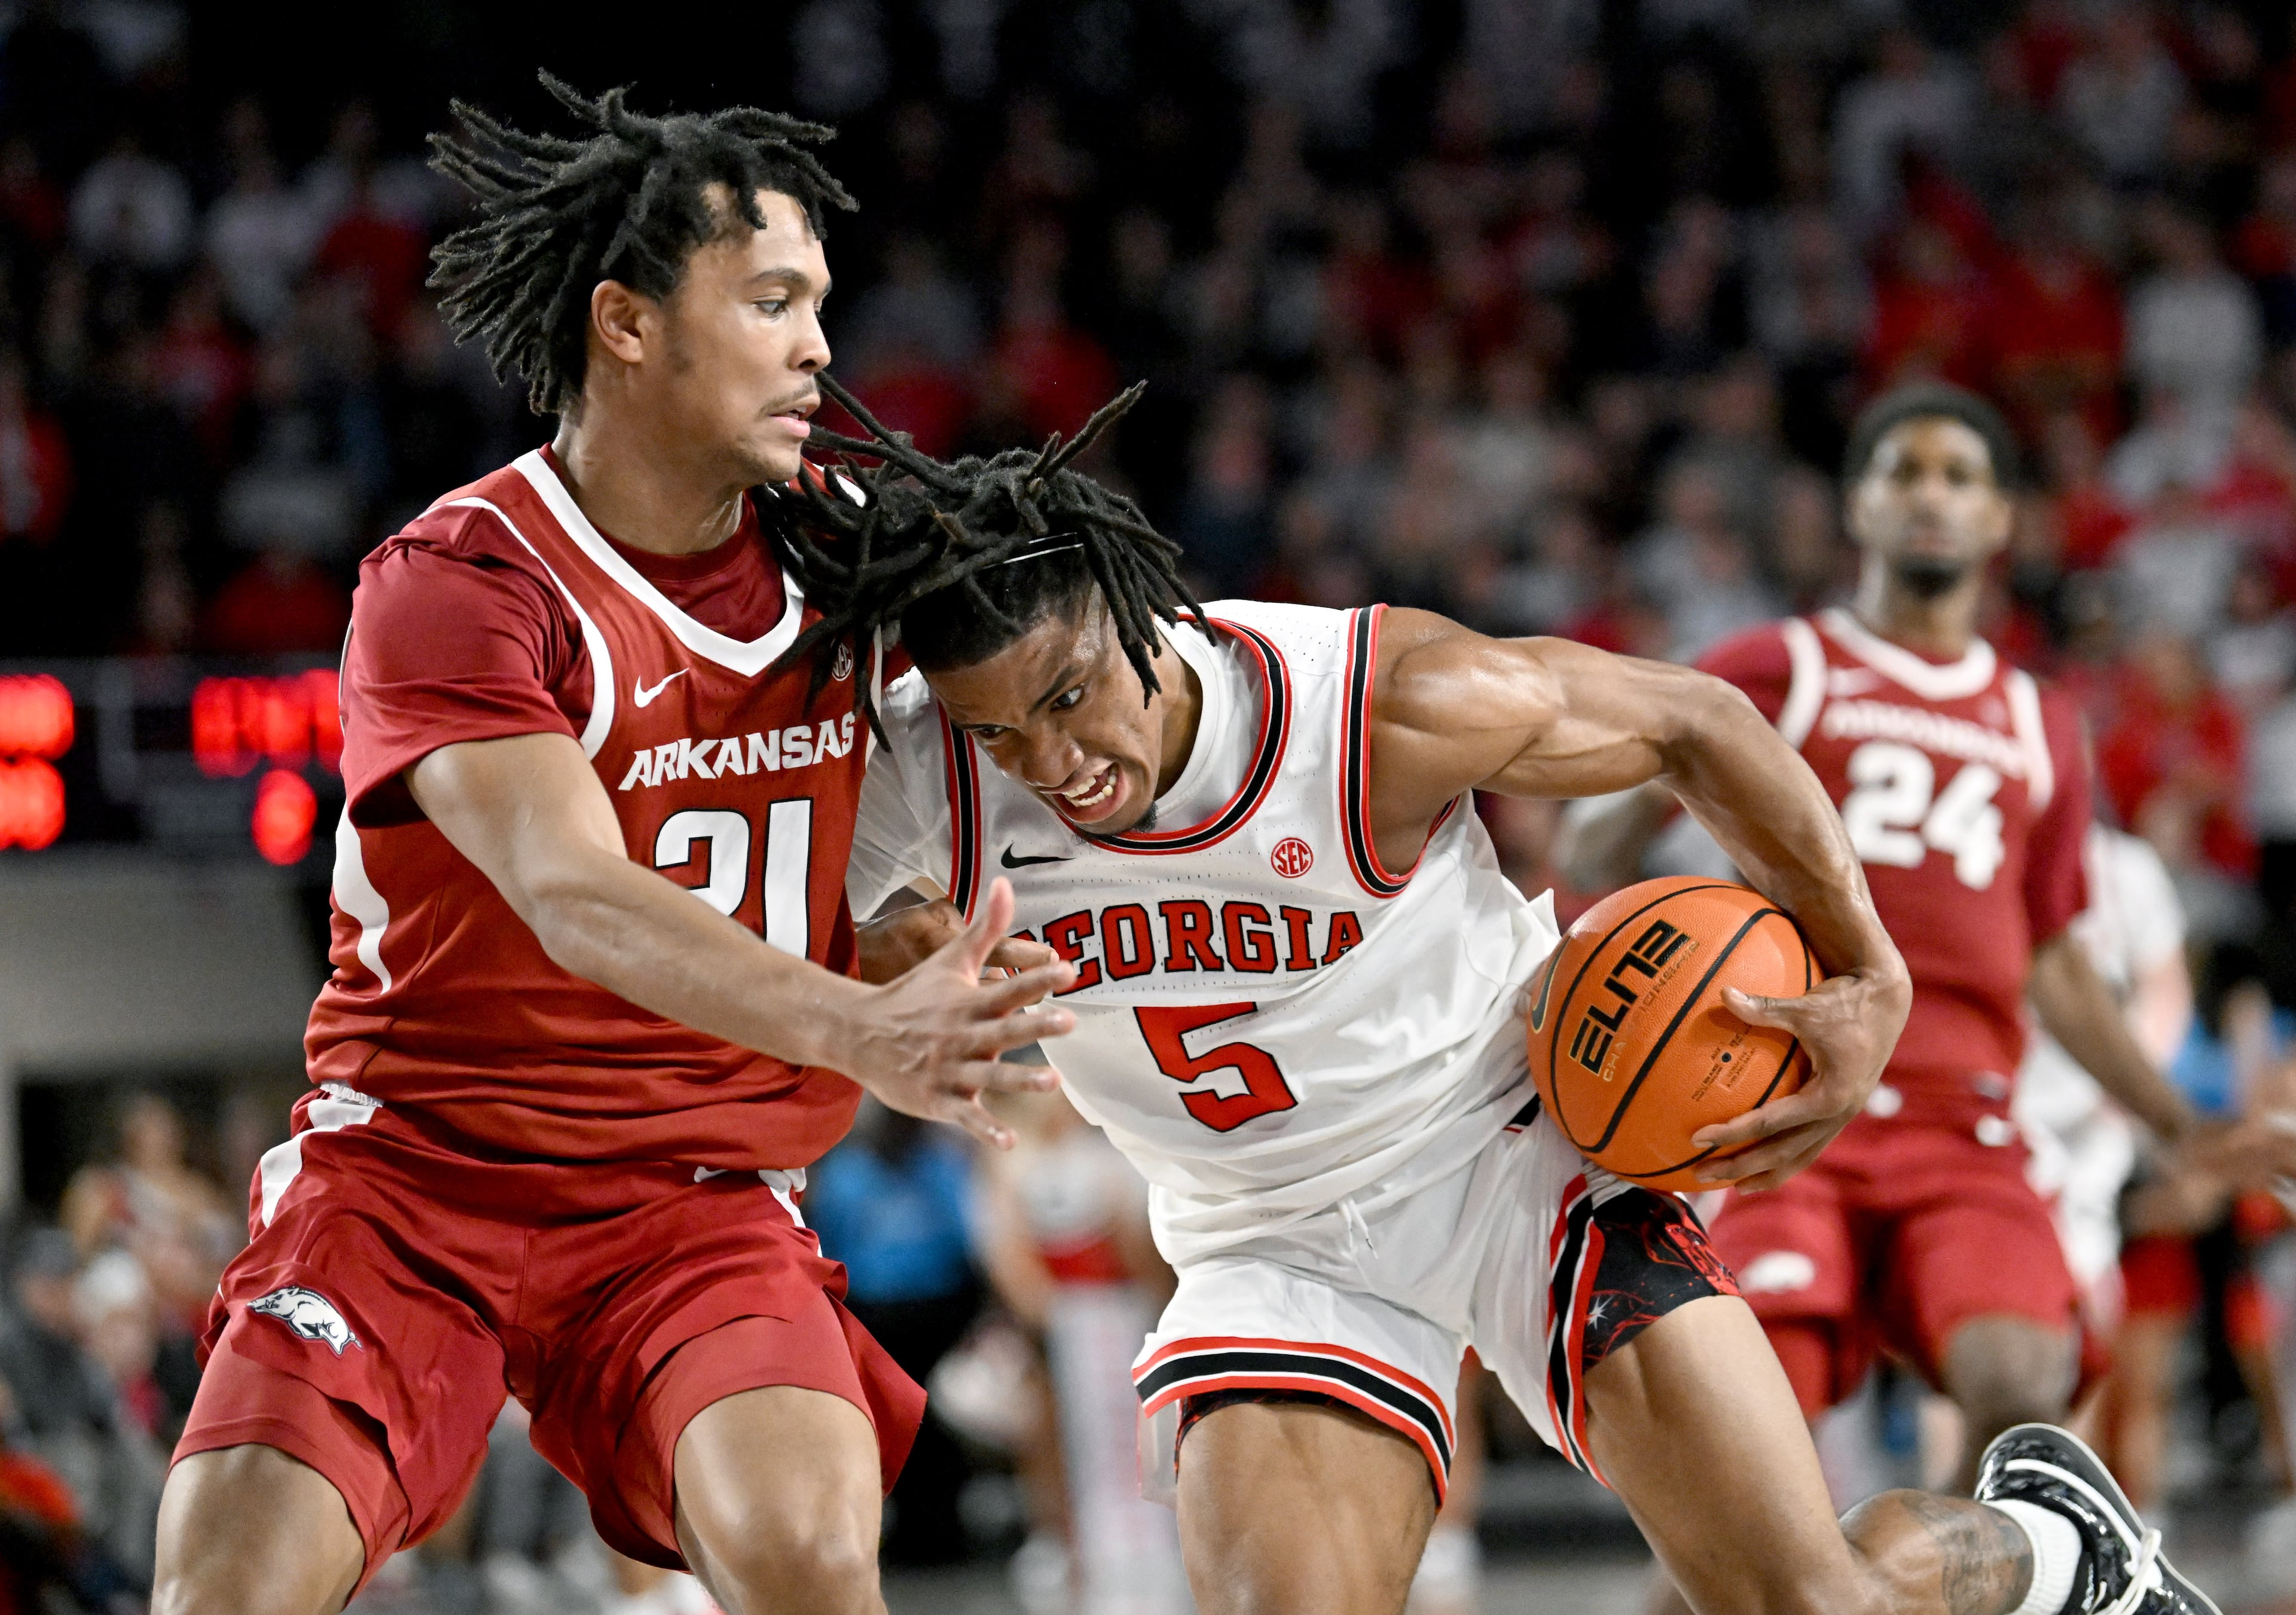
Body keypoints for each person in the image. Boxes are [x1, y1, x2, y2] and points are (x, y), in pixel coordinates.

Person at [805, 378, 2221, 1615]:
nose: (1056, 763)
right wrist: (901, 995)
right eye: (1000, 729)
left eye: (1068, 698)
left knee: (1812, 1599)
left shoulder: (1369, 702)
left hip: (1517, 1157)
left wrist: (1871, 970)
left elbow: (1696, 722)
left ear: (1136, 613)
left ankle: (2054, 1545)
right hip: (1267, 1239)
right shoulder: (927, 780)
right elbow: (808, 932)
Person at [151, 80, 1075, 1615]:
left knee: (809, 1559)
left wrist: (912, 916)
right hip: (414, 1178)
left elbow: (970, 758)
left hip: (696, 1192)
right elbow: (576, 891)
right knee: (226, 1588)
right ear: (629, 325)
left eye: (821, 306)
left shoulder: (854, 546)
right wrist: (862, 1024)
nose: (820, 349)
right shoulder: (459, 581)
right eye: (772, 301)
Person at [1558, 383, 2289, 1498]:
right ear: (1858, 507)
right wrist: (1662, 757)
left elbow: (2051, 960)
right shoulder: (1780, 665)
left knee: (2023, 1401)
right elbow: (1589, 844)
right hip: (1785, 1108)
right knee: (1753, 1462)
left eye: (1961, 476)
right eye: (1905, 472)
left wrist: (2182, 1123)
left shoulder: (2041, 722)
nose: (1932, 496)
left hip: (1968, 1120)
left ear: (2002, 521)